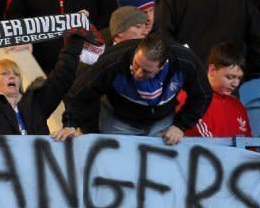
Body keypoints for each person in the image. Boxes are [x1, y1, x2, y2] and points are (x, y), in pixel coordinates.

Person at [53, 33, 212, 145]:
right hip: (118, 121)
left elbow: (203, 95)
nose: (138, 73)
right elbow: (79, 92)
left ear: (162, 65)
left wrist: (181, 126)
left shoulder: (185, 62)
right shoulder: (113, 60)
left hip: (162, 123)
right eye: (136, 64)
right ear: (137, 51)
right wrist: (71, 123)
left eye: (147, 71)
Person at [155, 0, 260, 81]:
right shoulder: (243, 2)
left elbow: (159, 38)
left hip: (185, 85)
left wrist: (179, 69)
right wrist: (238, 74)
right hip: (224, 84)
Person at [77, 6, 148, 134]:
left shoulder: (152, 46)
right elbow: (82, 90)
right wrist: (89, 130)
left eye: (144, 26)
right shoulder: (95, 49)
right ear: (119, 32)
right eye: (138, 27)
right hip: (107, 119)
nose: (145, 32)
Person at [6, 0, 116, 74]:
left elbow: (110, 16)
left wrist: (93, 37)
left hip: (88, 65)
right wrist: (25, 39)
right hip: (43, 67)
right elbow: (15, 19)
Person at [183, 42, 252, 137]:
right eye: (230, 77)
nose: (235, 84)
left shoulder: (237, 105)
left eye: (239, 78)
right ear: (212, 70)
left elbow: (249, 144)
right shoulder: (190, 96)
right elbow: (208, 142)